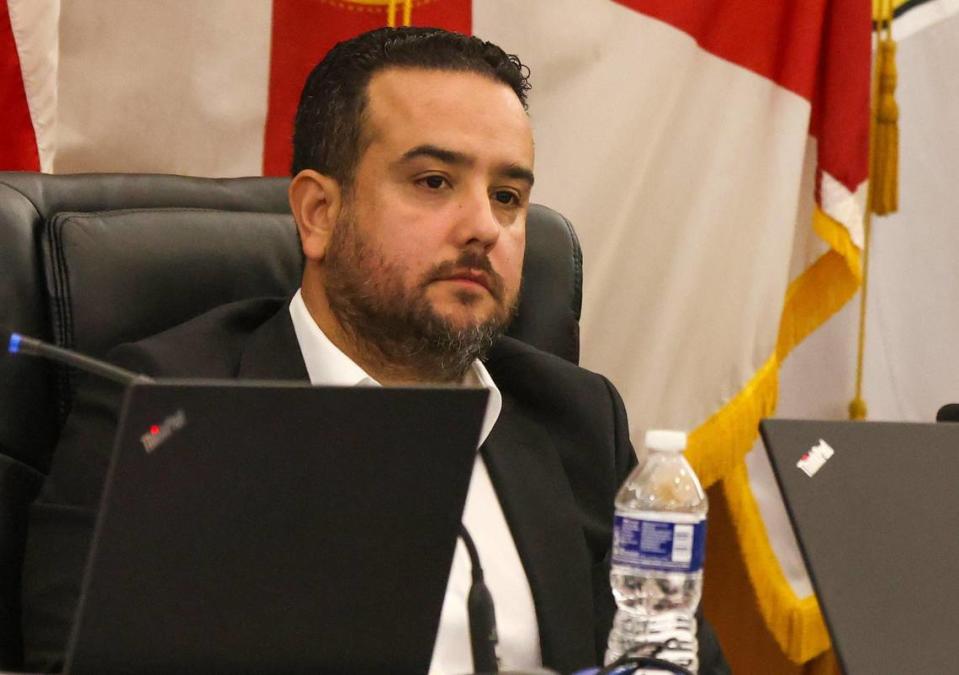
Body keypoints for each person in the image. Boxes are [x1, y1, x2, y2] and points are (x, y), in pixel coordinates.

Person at [21, 27, 729, 674]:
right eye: (433, 182)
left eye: (508, 195)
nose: (484, 225)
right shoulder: (165, 407)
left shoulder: (574, 417)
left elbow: (676, 660)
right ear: (318, 213)